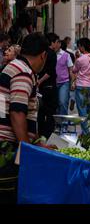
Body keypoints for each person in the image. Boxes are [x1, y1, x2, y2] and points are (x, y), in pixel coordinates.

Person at [0, 33, 49, 204]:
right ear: (43, 55)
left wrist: (36, 143)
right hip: (6, 148)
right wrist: (27, 149)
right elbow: (17, 113)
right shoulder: (23, 72)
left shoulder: (15, 67)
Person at [72, 38, 90, 135]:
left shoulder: (80, 59)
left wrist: (76, 58)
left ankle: (86, 133)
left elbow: (74, 70)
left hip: (81, 86)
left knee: (82, 111)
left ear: (82, 47)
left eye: (79, 46)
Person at [37, 33, 60, 139]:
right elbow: (50, 71)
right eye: (57, 42)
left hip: (40, 88)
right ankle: (47, 135)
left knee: (40, 111)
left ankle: (41, 133)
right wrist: (40, 81)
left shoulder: (41, 52)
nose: (58, 44)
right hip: (49, 87)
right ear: (52, 43)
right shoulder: (51, 53)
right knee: (51, 112)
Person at [55, 41, 74, 116]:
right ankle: (57, 123)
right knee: (55, 103)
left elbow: (71, 70)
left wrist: (72, 82)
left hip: (64, 82)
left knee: (63, 102)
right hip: (53, 82)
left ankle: (63, 124)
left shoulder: (66, 55)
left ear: (59, 44)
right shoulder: (50, 54)